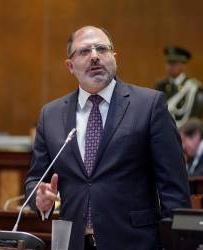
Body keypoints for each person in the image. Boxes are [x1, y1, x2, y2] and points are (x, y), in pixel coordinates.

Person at [25, 26, 191, 250]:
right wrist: (39, 198)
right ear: (70, 66)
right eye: (84, 51)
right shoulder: (50, 115)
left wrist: (176, 244)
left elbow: (174, 187)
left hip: (135, 242)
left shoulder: (149, 106)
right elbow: (36, 179)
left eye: (102, 49)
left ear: (114, 57)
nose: (94, 56)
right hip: (74, 243)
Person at [155, 46, 203, 128]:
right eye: (168, 63)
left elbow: (195, 116)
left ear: (183, 65)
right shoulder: (160, 86)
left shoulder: (194, 88)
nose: (170, 66)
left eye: (174, 63)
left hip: (185, 133)